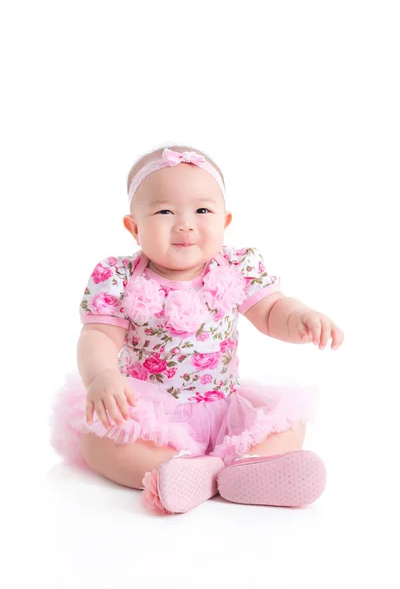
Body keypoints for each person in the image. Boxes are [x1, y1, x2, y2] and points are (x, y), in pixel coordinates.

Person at [51, 145, 344, 515]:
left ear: (225, 221)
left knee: (289, 428)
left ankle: (236, 471)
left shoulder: (236, 266)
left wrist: (300, 316)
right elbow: (99, 335)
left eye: (202, 210)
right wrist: (102, 375)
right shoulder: (118, 276)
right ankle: (197, 471)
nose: (185, 224)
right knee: (99, 442)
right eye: (164, 211)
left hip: (224, 411)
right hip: (149, 418)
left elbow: (271, 311)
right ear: (134, 227)